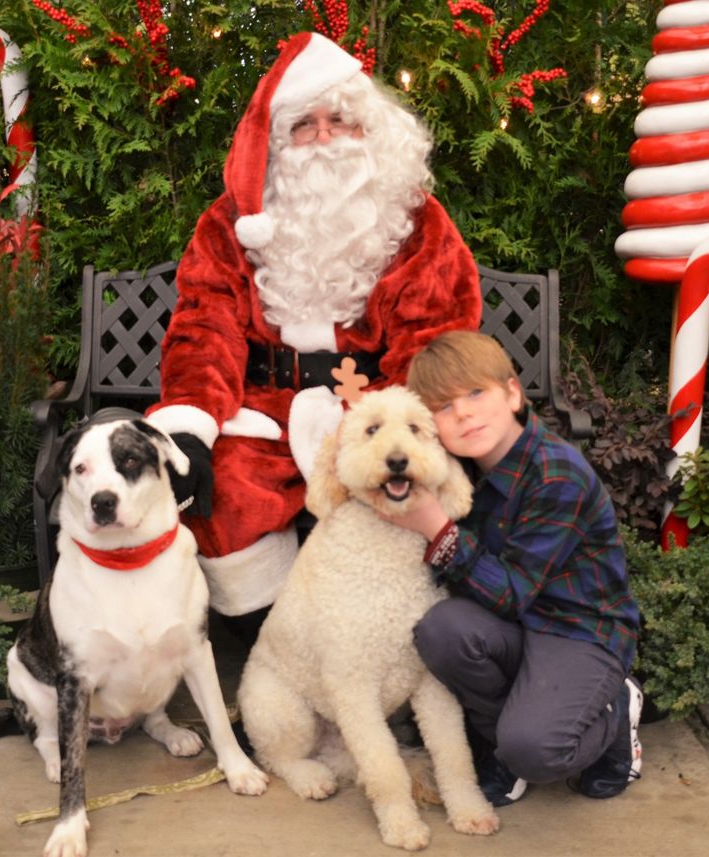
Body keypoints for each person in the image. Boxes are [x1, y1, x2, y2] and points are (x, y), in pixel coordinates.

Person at [146, 32, 482, 638]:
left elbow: (436, 333)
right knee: (224, 487)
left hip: (377, 401)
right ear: (276, 142)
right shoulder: (230, 225)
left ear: (371, 131)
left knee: (392, 487)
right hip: (262, 407)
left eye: (341, 121)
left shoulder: (414, 218)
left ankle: (381, 646)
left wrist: (404, 418)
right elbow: (204, 326)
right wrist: (192, 420)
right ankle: (277, 644)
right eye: (305, 125)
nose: (324, 138)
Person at [384, 330, 643, 805]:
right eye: (444, 407)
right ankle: (505, 745)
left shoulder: (555, 473)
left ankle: (612, 712)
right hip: (511, 627)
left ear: (513, 393)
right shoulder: (455, 473)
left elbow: (512, 592)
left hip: (577, 629)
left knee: (538, 751)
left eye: (476, 393)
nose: (462, 412)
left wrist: (437, 529)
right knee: (441, 630)